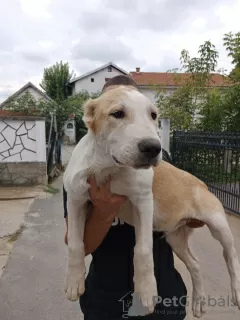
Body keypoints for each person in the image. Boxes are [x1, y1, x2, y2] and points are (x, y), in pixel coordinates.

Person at [63, 76, 204, 320]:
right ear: (92, 118)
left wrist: (188, 214)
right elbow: (79, 242)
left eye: (148, 114)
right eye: (118, 112)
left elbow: (188, 215)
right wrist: (104, 212)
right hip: (105, 301)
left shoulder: (155, 155)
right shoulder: (79, 170)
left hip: (163, 296)